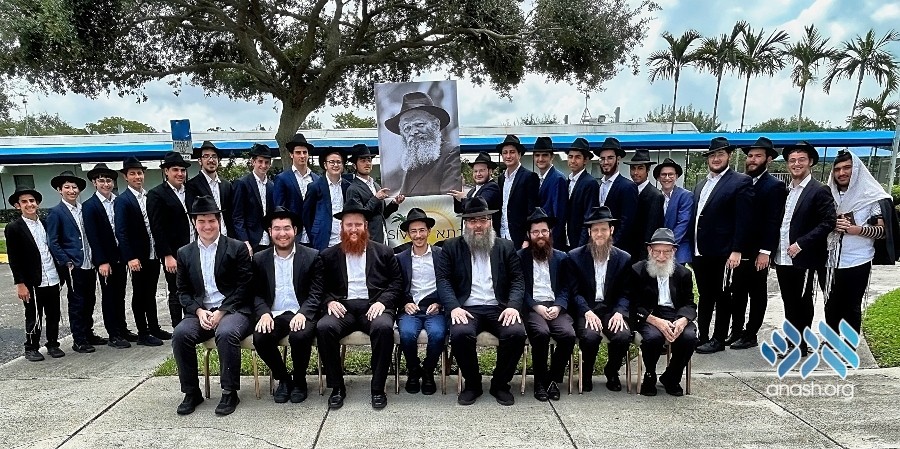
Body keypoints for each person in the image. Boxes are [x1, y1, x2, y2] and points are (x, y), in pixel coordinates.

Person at [436, 197, 527, 406]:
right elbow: (443, 280)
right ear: (465, 223)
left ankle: (500, 384)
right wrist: (454, 307)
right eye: (472, 221)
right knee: (460, 333)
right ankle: (473, 384)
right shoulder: (451, 247)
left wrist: (513, 306)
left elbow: (518, 280)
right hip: (467, 308)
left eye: (483, 220)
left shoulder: (505, 246)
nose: (478, 225)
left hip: (499, 307)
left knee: (516, 333)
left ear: (490, 222)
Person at [314, 198, 402, 410]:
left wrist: (383, 302)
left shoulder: (384, 252)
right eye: (349, 225)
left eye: (358, 224)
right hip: (342, 307)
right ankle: (337, 387)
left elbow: (397, 282)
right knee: (324, 327)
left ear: (366, 226)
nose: (353, 229)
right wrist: (329, 301)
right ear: (342, 227)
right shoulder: (328, 255)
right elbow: (319, 287)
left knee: (383, 327)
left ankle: (378, 388)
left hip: (373, 305)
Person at [172, 196, 253, 416]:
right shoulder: (184, 253)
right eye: (201, 221)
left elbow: (244, 286)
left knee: (226, 333)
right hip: (201, 312)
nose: (207, 226)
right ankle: (191, 392)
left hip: (234, 310)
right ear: (194, 223)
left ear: (219, 221)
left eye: (211, 221)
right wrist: (199, 311)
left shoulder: (237, 248)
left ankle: (229, 392)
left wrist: (222, 311)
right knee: (180, 334)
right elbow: (183, 291)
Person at [251, 206, 320, 403]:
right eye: (277, 228)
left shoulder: (311, 256)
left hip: (301, 312)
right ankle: (283, 379)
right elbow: (255, 293)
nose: (282, 233)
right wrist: (264, 313)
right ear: (270, 231)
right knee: (261, 337)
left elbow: (316, 292)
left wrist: (303, 313)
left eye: (287, 228)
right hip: (273, 314)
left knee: (300, 335)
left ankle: (299, 380)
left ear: (295, 230)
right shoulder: (259, 259)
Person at [773, 141, 836, 356]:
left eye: (801, 160)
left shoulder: (819, 190)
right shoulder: (787, 190)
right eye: (792, 160)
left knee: (802, 302)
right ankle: (792, 340)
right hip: (782, 256)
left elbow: (828, 222)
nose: (796, 164)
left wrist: (802, 243)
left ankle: (800, 345)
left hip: (803, 257)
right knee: (789, 302)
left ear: (810, 162)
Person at [691, 137, 753, 354]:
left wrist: (737, 250)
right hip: (700, 251)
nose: (716, 159)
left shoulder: (740, 181)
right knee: (705, 296)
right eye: (712, 155)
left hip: (724, 252)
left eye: (720, 154)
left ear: (729, 156)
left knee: (722, 296)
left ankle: (718, 339)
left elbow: (744, 219)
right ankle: (703, 336)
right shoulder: (701, 184)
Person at [825, 150, 894, 333]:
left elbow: (883, 231)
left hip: (858, 260)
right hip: (829, 260)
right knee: (831, 305)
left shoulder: (871, 197)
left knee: (851, 307)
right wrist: (831, 224)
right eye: (837, 169)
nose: (841, 173)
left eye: (847, 168)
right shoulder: (828, 195)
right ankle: (832, 342)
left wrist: (858, 230)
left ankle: (849, 344)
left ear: (856, 170)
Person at [566, 206, 631, 392]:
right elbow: (574, 292)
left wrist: (619, 312)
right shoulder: (575, 257)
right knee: (590, 336)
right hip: (586, 309)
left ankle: (612, 370)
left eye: (604, 229)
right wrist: (586, 311)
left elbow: (626, 292)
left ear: (612, 230)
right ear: (589, 232)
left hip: (611, 309)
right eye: (595, 230)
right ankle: (586, 372)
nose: (599, 234)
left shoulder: (624, 258)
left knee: (623, 335)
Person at [729, 137, 786, 350]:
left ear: (768, 159)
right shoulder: (742, 181)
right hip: (739, 249)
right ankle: (736, 330)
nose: (752, 160)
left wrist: (765, 251)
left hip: (758, 251)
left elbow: (773, 221)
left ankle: (751, 333)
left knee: (757, 292)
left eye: (758, 156)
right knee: (737, 291)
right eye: (750, 156)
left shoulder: (775, 186)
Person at [629, 228, 698, 396]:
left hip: (675, 315)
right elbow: (633, 305)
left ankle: (672, 377)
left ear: (673, 251)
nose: (661, 256)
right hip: (649, 316)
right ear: (649, 250)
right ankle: (650, 376)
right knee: (653, 337)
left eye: (666, 252)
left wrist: (683, 320)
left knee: (689, 337)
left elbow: (690, 304)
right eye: (657, 251)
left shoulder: (684, 273)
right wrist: (655, 320)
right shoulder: (637, 271)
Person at [518, 208, 574, 401]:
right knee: (541, 333)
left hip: (555, 307)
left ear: (549, 233)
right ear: (529, 234)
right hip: (533, 308)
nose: (540, 235)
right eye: (535, 232)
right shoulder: (520, 257)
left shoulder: (561, 257)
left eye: (544, 231)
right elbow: (520, 288)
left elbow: (566, 287)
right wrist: (536, 306)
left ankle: (552, 380)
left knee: (568, 335)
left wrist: (558, 306)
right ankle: (540, 382)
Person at [46, 170, 104, 353]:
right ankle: (78, 339)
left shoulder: (83, 209)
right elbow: (53, 241)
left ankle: (88, 332)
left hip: (89, 262)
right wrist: (66, 261)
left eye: (74, 187)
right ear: (59, 190)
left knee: (90, 300)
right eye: (67, 187)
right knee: (77, 303)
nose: (71, 190)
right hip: (74, 265)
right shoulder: (56, 212)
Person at [5, 186, 64, 361]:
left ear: (37, 203)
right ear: (18, 206)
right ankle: (31, 347)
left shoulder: (46, 223)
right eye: (24, 202)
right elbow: (14, 258)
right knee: (34, 315)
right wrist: (20, 284)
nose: (29, 204)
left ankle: (53, 344)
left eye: (32, 201)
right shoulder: (14, 228)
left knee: (53, 314)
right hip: (32, 280)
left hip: (52, 276)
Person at [114, 157, 167, 346]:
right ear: (125, 177)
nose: (137, 177)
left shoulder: (148, 196)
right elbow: (121, 231)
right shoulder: (122, 200)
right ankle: (143, 333)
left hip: (153, 252)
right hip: (137, 256)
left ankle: (154, 327)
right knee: (139, 293)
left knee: (151, 293)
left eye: (139, 173)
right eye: (133, 174)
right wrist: (130, 257)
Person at [83, 163, 134, 349]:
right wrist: (102, 261)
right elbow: (93, 236)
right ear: (95, 183)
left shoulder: (118, 201)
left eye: (109, 181)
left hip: (120, 256)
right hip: (106, 260)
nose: (106, 184)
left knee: (120, 295)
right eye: (102, 181)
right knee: (109, 296)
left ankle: (122, 329)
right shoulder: (90, 206)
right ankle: (113, 334)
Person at [396, 208, 446, 395]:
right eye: (414, 231)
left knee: (438, 334)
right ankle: (413, 370)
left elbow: (449, 282)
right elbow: (395, 285)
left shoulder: (441, 255)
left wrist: (440, 303)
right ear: (408, 234)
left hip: (434, 308)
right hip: (410, 308)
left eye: (422, 230)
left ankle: (428, 371)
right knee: (407, 334)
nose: (418, 235)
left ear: (429, 231)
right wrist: (404, 303)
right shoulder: (400, 258)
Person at [148, 151, 194, 328]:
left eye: (182, 170)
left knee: (194, 288)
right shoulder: (156, 194)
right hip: (174, 253)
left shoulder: (190, 190)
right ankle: (178, 327)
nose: (180, 174)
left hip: (194, 247)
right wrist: (167, 255)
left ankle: (193, 323)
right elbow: (157, 228)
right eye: (175, 170)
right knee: (176, 290)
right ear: (166, 171)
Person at [385, 91, 460, 196]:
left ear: (435, 125)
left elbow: (449, 199)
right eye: (407, 128)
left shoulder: (451, 154)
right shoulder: (412, 164)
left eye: (419, 124)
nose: (413, 132)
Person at [346, 143, 405, 243]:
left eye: (369, 160)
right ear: (354, 165)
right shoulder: (353, 189)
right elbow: (358, 219)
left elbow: (383, 214)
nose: (367, 163)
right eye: (363, 161)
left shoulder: (376, 185)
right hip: (366, 240)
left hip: (382, 237)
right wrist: (376, 198)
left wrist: (394, 203)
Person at [272, 133, 319, 244]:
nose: (302, 156)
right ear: (291, 155)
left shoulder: (317, 179)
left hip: (313, 235)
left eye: (305, 152)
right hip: (292, 235)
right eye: (298, 152)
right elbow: (279, 209)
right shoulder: (282, 178)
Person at [594, 137, 638, 255]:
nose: (605, 162)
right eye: (602, 158)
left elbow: (626, 223)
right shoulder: (599, 185)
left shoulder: (628, 186)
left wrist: (611, 246)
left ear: (618, 159)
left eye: (610, 158)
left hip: (617, 250)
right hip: (598, 246)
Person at [496, 134, 540, 249]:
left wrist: (527, 238)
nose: (508, 156)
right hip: (502, 235)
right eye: (505, 153)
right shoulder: (501, 179)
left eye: (512, 152)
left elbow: (532, 210)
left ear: (519, 155)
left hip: (520, 238)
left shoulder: (529, 177)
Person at [303, 147, 350, 251]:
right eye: (332, 162)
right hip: (322, 238)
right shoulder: (315, 186)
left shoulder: (348, 186)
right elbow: (307, 214)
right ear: (325, 165)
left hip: (344, 238)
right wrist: (314, 234)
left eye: (339, 162)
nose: (335, 165)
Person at [233, 143, 275, 253]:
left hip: (269, 241)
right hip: (251, 241)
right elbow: (237, 216)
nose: (263, 165)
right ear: (253, 162)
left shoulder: (272, 186)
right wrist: (245, 241)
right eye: (260, 161)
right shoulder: (242, 183)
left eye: (266, 162)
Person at [186, 140, 234, 237]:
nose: (211, 160)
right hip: (206, 236)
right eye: (206, 156)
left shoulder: (226, 185)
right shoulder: (192, 185)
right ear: (200, 161)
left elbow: (231, 213)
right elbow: (193, 215)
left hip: (226, 236)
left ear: (218, 160)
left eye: (214, 156)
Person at [624, 148, 664, 261]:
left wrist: (644, 259)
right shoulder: (627, 191)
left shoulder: (655, 196)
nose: (635, 173)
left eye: (640, 168)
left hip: (642, 255)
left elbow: (651, 230)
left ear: (648, 170)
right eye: (633, 168)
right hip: (626, 252)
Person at [449, 151, 501, 236]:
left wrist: (464, 198)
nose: (478, 174)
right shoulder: (472, 191)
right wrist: (458, 190)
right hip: (471, 236)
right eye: (475, 171)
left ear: (490, 171)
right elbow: (459, 210)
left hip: (485, 237)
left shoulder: (492, 187)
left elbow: (480, 206)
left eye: (482, 171)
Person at [654, 158, 693, 264]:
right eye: (663, 174)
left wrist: (668, 245)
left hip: (678, 247)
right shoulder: (654, 196)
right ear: (658, 177)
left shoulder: (685, 196)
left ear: (676, 176)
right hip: (657, 248)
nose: (667, 178)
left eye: (671, 174)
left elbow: (683, 223)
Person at [532, 136, 568, 250]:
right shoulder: (538, 178)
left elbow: (559, 216)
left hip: (552, 241)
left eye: (544, 155)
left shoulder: (558, 179)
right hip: (541, 238)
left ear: (552, 157)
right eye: (537, 155)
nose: (540, 159)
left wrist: (550, 242)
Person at [565, 138, 599, 249]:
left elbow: (588, 218)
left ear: (585, 160)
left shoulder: (590, 183)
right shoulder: (567, 181)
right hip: (566, 241)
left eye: (577, 157)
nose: (573, 161)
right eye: (570, 157)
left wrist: (581, 247)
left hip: (579, 243)